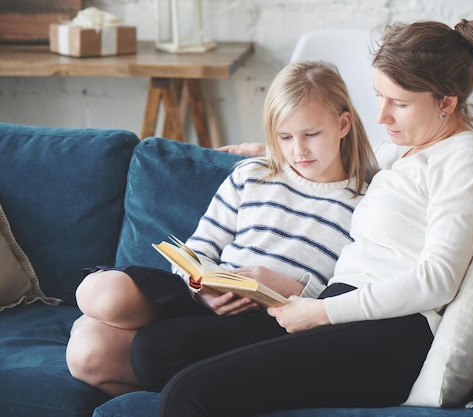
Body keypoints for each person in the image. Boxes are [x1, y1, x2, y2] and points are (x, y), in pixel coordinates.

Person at [135, 18, 473, 417]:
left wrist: (321, 312)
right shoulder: (400, 152)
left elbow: (437, 280)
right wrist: (273, 150)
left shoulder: (469, 160)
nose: (383, 116)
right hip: (342, 313)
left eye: (400, 103)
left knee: (189, 395)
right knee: (156, 349)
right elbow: (338, 149)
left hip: (391, 332)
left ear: (447, 102)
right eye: (379, 97)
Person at [65, 60, 378, 396]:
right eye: (284, 137)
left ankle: (175, 370)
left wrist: (284, 286)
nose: (298, 150)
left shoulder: (369, 201)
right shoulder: (252, 175)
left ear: (343, 124)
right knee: (97, 291)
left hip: (274, 323)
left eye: (311, 135)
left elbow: (345, 299)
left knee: (88, 354)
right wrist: (205, 292)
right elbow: (198, 249)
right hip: (208, 299)